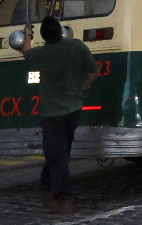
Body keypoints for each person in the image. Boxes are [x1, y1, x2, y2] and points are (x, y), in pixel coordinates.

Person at [22, 15, 98, 213]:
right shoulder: (76, 46)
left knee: (56, 154)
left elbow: (26, 51)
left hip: (51, 112)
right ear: (60, 31)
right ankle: (47, 187)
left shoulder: (42, 53)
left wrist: (27, 35)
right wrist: (83, 88)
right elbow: (93, 71)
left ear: (44, 36)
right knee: (61, 152)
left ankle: (62, 197)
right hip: (73, 108)